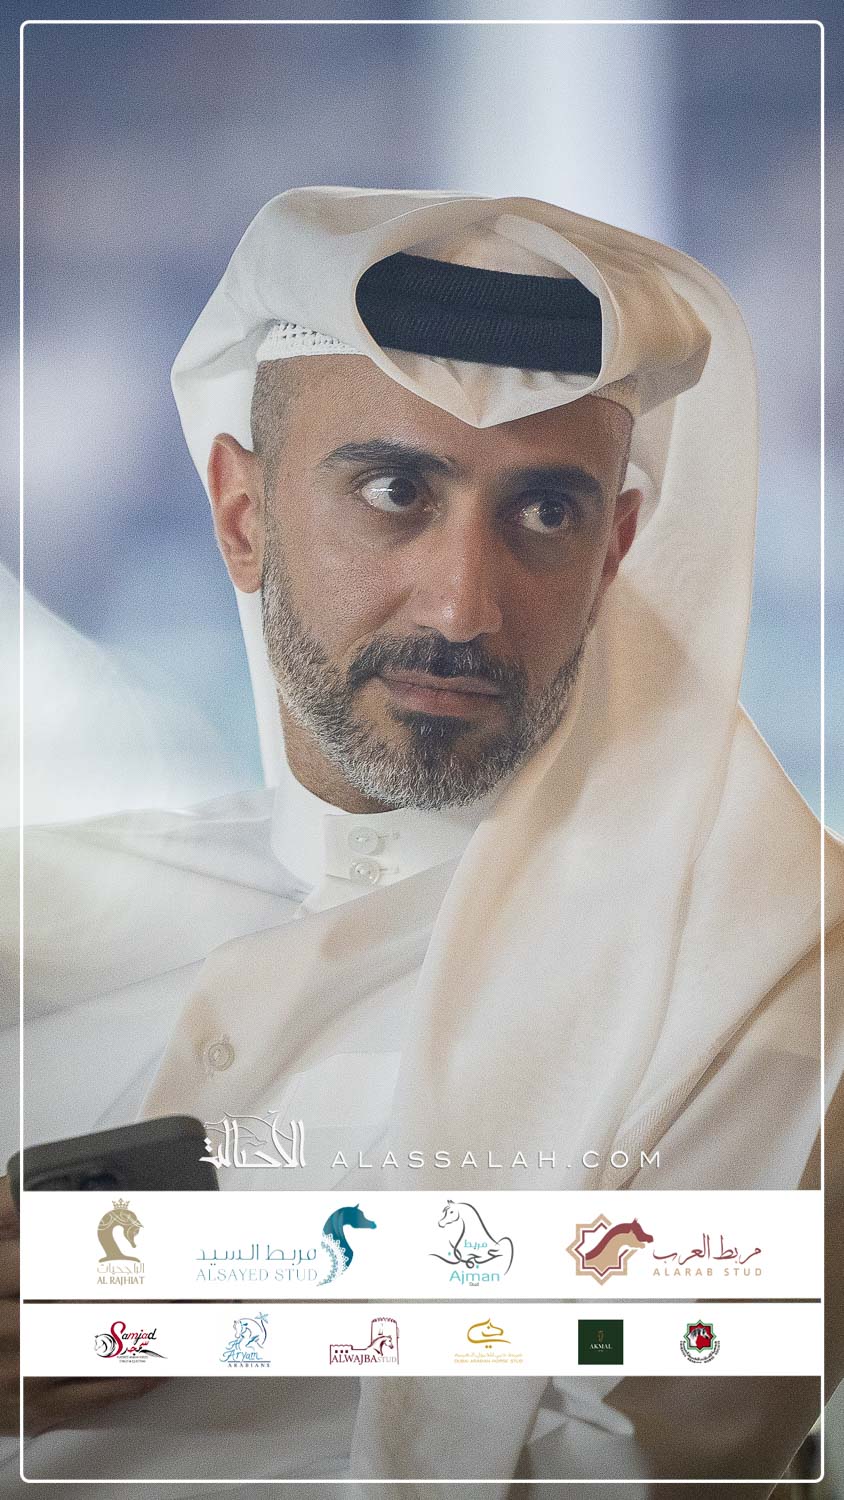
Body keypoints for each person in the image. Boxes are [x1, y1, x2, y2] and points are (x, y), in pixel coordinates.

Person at [1, 187, 841, 1496]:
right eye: (395, 491)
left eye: (545, 513)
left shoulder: (766, 975)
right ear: (241, 515)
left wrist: (213, 1290)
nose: (463, 606)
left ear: (615, 551)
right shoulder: (45, 922)